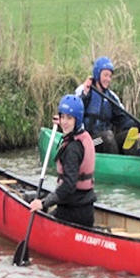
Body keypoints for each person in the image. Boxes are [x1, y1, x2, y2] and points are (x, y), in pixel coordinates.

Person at [29, 94, 96, 227]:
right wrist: (60, 120)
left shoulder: (73, 148)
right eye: (62, 117)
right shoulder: (81, 135)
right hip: (84, 208)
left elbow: (68, 186)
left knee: (41, 210)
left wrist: (43, 203)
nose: (64, 122)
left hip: (74, 213)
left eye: (69, 118)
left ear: (77, 120)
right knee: (38, 198)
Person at [75, 56, 140, 154]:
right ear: (97, 74)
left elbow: (123, 118)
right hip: (90, 142)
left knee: (130, 134)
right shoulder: (84, 90)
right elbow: (74, 111)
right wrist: (85, 93)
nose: (108, 79)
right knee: (107, 137)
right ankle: (115, 166)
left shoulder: (111, 97)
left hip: (107, 140)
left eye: (110, 76)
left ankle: (128, 165)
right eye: (105, 75)